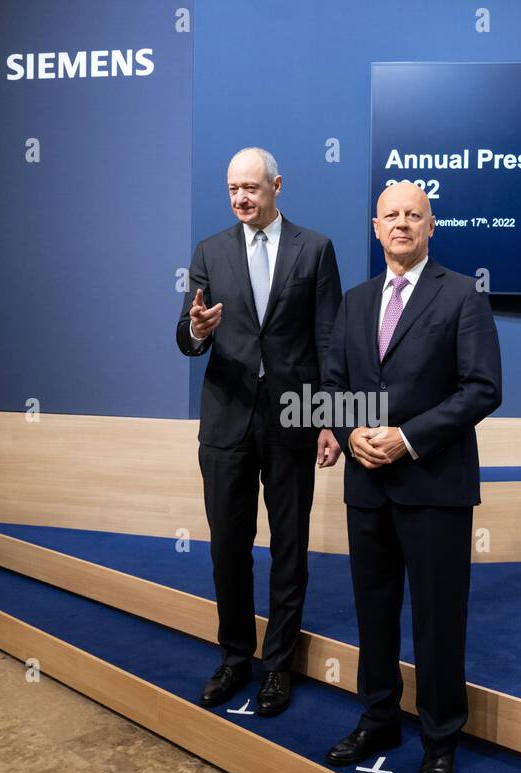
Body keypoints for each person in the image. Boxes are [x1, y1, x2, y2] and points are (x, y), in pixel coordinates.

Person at [320, 181, 501, 773]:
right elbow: (334, 384)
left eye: (413, 215)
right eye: (391, 215)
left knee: (437, 623)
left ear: (431, 226)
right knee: (373, 617)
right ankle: (378, 721)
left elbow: (481, 389)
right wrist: (351, 435)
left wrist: (407, 438)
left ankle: (440, 740)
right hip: (367, 485)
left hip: (434, 487)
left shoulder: (462, 296)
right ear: (376, 228)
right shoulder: (354, 300)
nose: (402, 224)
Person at [176, 147, 342, 716]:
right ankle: (234, 657)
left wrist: (329, 420)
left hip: (293, 419)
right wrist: (196, 330)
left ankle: (279, 667)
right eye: (231, 189)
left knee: (289, 548)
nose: (241, 198)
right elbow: (186, 333)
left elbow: (328, 343)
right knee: (228, 546)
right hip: (226, 418)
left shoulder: (315, 250)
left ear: (277, 184)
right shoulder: (209, 251)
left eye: (251, 187)